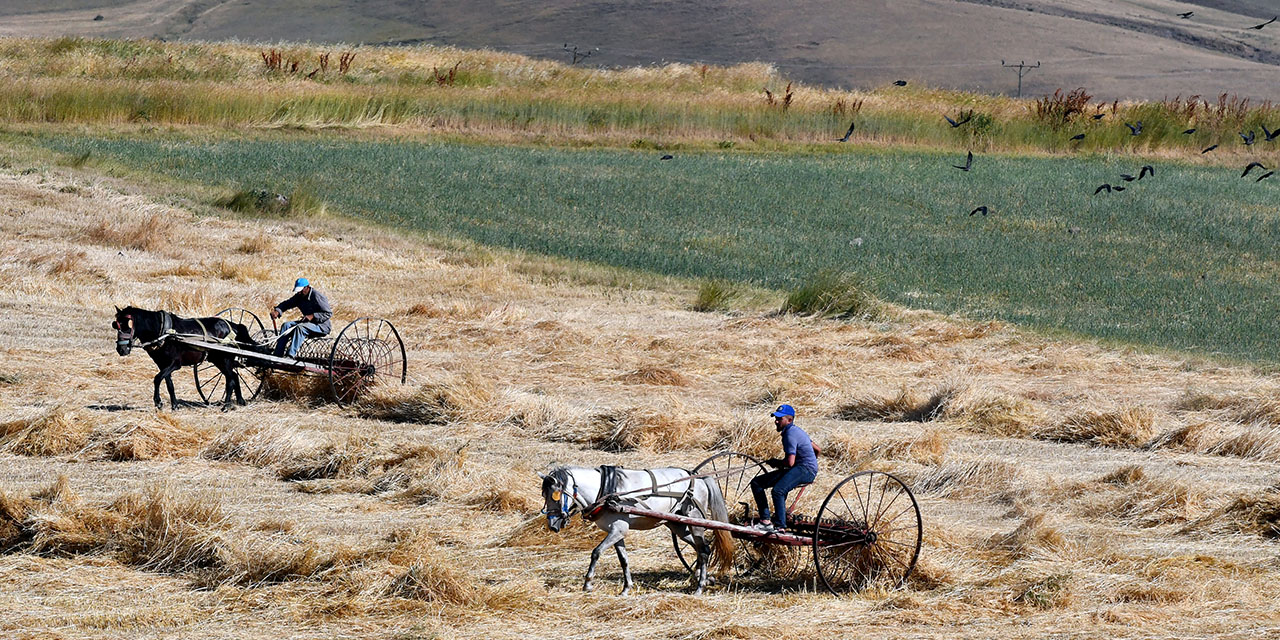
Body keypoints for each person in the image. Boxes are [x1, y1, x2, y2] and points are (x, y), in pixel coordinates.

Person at [750, 404, 820, 533]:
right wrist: (813, 462)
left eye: (779, 419)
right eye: (775, 418)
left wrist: (775, 462)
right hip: (801, 468)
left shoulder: (790, 434)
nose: (776, 421)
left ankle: (780, 526)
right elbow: (817, 449)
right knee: (757, 483)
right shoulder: (797, 431)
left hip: (804, 469)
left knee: (778, 491)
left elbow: (789, 463)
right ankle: (765, 520)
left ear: (789, 420)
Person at [270, 278, 333, 357]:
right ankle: (277, 354)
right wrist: (278, 311)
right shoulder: (300, 296)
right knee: (286, 325)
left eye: (300, 290)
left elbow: (328, 313)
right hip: (307, 324)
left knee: (300, 328)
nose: (299, 292)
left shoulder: (317, 296)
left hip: (321, 326)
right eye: (298, 291)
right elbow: (287, 303)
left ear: (307, 287)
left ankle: (290, 355)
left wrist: (313, 316)